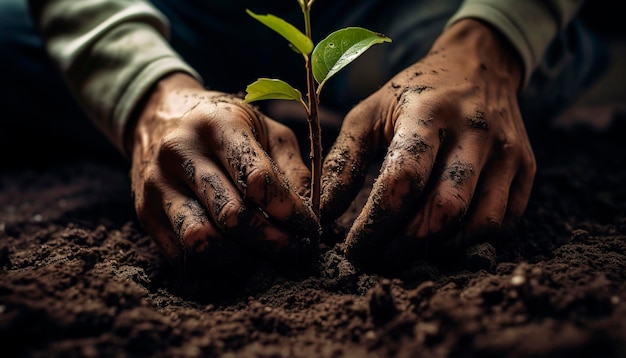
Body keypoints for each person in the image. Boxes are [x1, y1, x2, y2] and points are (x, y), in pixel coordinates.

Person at [2, 0, 608, 273]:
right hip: (188, 12)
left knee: (435, 63)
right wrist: (148, 94)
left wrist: (492, 45)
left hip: (416, 9)